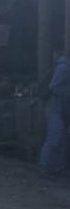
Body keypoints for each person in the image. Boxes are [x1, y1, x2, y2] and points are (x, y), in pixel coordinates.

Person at [40, 50, 69, 178]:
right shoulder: (63, 67)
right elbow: (53, 87)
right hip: (54, 109)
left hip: (60, 110)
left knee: (61, 140)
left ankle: (56, 168)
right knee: (54, 139)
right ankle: (45, 169)